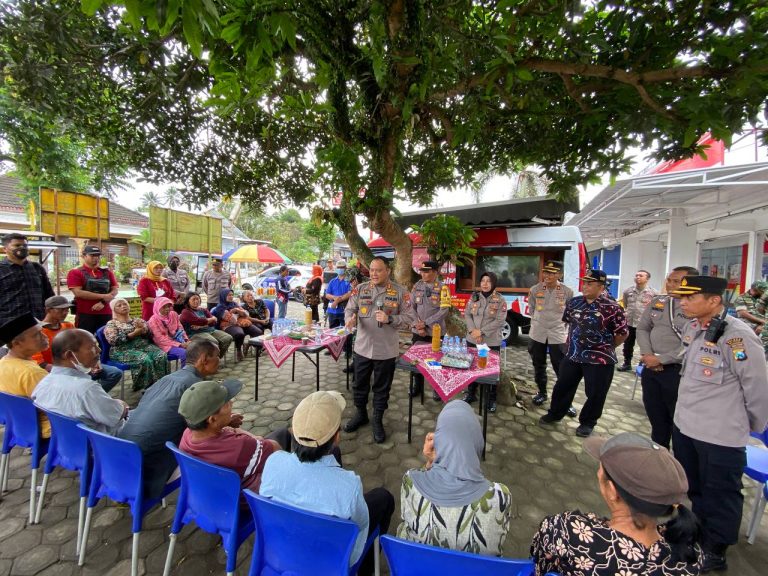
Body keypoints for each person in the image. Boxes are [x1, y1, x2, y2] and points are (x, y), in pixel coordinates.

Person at [670, 275, 768, 572]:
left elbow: (757, 386)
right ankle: (696, 532)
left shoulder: (737, 337)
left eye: (689, 297)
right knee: (694, 487)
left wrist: (750, 424)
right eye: (682, 297)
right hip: (686, 426)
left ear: (714, 300)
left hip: (720, 433)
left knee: (721, 493)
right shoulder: (694, 327)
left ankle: (716, 549)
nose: (682, 302)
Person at [260, 391, 394, 576]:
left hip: (282, 547)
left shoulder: (273, 462)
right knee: (384, 498)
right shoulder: (349, 486)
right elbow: (361, 526)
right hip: (332, 561)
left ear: (295, 432)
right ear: (337, 437)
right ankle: (365, 571)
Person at [531, 432, 702, 576]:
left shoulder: (567, 532)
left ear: (612, 491)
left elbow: (538, 563)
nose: (598, 473)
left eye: (601, 470)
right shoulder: (689, 553)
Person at [398, 401, 512, 555]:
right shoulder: (500, 496)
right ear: (477, 440)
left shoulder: (411, 481)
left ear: (439, 438)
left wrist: (430, 463)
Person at [119, 339, 227, 498]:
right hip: (147, 466)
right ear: (204, 359)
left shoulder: (169, 378)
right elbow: (203, 428)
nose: (220, 359)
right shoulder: (194, 386)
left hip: (118, 456)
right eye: (217, 356)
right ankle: (211, 499)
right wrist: (227, 422)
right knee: (215, 446)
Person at [539, 269, 628, 438]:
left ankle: (588, 422)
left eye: (590, 283)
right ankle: (556, 413)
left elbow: (622, 333)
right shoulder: (574, 302)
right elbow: (568, 323)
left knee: (595, 393)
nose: (585, 286)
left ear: (601, 287)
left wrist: (606, 348)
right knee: (562, 386)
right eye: (584, 282)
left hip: (599, 359)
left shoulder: (612, 307)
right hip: (573, 355)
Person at [344, 256, 414, 443]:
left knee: (381, 388)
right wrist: (349, 319)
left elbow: (409, 317)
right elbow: (350, 309)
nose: (374, 273)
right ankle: (361, 414)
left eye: (378, 270)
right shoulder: (360, 289)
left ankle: (377, 419)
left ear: (388, 271)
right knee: (359, 384)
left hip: (386, 350)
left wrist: (390, 319)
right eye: (372, 270)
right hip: (362, 348)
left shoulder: (400, 292)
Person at [178, 379, 289, 492]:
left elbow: (214, 431)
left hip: (214, 492)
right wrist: (248, 435)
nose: (231, 403)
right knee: (283, 435)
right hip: (247, 500)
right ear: (212, 419)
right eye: (226, 403)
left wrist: (223, 424)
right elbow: (275, 448)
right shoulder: (239, 446)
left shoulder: (187, 433)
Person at [635, 266, 699, 449]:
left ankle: (681, 463)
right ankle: (659, 452)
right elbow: (642, 328)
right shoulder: (659, 301)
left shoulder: (696, 309)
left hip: (678, 372)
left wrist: (662, 359)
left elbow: (694, 343)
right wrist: (648, 355)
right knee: (656, 415)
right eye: (669, 280)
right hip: (651, 367)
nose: (670, 284)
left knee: (679, 422)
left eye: (676, 281)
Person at [32, 329, 129, 435]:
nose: (99, 350)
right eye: (92, 347)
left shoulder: (43, 384)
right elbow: (118, 415)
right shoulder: (87, 389)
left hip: (68, 443)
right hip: (105, 444)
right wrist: (122, 404)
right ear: (69, 355)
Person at [32, 295, 123, 393]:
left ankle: (91, 396)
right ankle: (86, 395)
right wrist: (78, 369)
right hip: (60, 372)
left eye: (67, 310)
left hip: (80, 365)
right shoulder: (39, 333)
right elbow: (41, 364)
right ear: (48, 310)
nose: (65, 313)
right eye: (61, 310)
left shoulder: (68, 325)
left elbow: (83, 346)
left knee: (115, 373)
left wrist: (94, 363)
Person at [527, 261, 576, 418]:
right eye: (545, 272)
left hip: (557, 334)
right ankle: (542, 392)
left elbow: (569, 314)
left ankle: (565, 401)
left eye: (551, 273)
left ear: (559, 275)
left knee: (562, 369)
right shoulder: (535, 290)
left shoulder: (567, 292)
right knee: (538, 364)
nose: (547, 276)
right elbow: (532, 309)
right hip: (538, 333)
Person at [0, 313, 52, 436]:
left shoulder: (3, 362)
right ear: (17, 343)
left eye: (42, 332)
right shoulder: (32, 372)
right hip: (44, 428)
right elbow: (55, 408)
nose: (44, 336)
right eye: (37, 335)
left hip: (18, 424)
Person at [462, 271, 507, 412]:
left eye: (488, 281)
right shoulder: (474, 297)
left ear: (494, 284)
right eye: (483, 281)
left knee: (491, 370)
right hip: (472, 338)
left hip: (490, 341)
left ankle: (491, 398)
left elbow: (500, 321)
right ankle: (471, 393)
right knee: (471, 366)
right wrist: (472, 331)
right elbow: (467, 314)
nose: (485, 284)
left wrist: (481, 332)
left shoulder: (500, 300)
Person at [104, 298, 169, 391]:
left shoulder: (137, 320)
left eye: (125, 304)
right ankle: (145, 387)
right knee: (144, 359)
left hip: (143, 346)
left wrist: (144, 330)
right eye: (119, 305)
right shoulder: (112, 324)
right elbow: (114, 341)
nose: (123, 306)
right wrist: (134, 333)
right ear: (114, 310)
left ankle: (162, 384)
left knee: (161, 355)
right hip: (123, 350)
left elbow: (150, 335)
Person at [409, 261, 449, 399]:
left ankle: (437, 389)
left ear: (435, 272)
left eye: (426, 271)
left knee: (436, 362)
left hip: (435, 332)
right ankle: (417, 387)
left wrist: (425, 324)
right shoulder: (417, 286)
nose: (423, 273)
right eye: (422, 271)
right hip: (418, 331)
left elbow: (444, 310)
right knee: (416, 360)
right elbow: (411, 307)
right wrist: (417, 324)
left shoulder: (443, 288)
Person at [0, 232, 54, 323]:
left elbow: (49, 295)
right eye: (17, 245)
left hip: (38, 322)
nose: (22, 248)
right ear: (5, 249)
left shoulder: (37, 268)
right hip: (9, 324)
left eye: (25, 245)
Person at [66, 245, 119, 333]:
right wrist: (104, 296)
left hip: (106, 312)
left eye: (98, 255)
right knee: (85, 340)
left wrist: (103, 301)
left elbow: (115, 289)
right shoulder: (75, 272)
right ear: (84, 256)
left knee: (107, 340)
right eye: (92, 255)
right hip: (85, 313)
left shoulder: (107, 272)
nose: (96, 258)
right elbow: (78, 293)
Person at [618, 269, 657, 371]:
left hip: (644, 325)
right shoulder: (628, 291)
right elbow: (625, 304)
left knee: (644, 347)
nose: (637, 277)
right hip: (630, 323)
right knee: (627, 345)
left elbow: (655, 308)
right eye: (636, 275)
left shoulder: (653, 293)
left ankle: (641, 367)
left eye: (641, 276)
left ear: (647, 279)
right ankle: (627, 363)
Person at [212, 288, 262, 361]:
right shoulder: (220, 307)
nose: (231, 296)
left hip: (241, 323)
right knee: (239, 333)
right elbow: (232, 320)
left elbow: (246, 314)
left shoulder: (234, 304)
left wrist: (237, 310)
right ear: (223, 296)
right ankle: (239, 350)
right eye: (229, 295)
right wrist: (239, 313)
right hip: (228, 325)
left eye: (232, 295)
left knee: (258, 332)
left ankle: (248, 344)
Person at [179, 292, 234, 359]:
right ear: (187, 301)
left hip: (209, 330)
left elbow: (213, 323)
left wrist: (205, 323)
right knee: (213, 342)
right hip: (194, 334)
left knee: (227, 338)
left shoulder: (203, 310)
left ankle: (215, 359)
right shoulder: (186, 312)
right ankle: (209, 361)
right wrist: (211, 319)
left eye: (198, 299)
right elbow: (200, 321)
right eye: (193, 299)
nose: (196, 301)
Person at [147, 296, 190, 366]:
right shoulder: (153, 320)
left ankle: (194, 372)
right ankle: (185, 375)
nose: (167, 309)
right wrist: (180, 344)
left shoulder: (174, 314)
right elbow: (160, 339)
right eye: (164, 307)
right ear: (158, 307)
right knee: (185, 353)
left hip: (179, 340)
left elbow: (180, 329)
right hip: (164, 345)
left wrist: (186, 340)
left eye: (169, 306)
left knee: (195, 349)